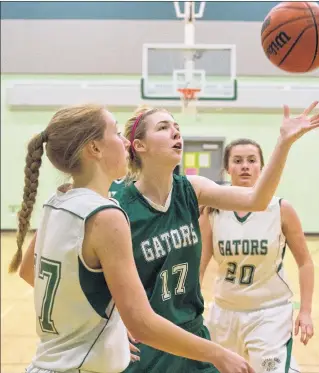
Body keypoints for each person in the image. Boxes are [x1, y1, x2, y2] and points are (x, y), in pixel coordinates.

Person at [12, 103, 259, 373]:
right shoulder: (105, 213)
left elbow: (28, 271)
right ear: (95, 149)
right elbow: (142, 323)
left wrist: (104, 321)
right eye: (117, 134)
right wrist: (218, 353)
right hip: (82, 365)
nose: (124, 143)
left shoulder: (56, 201)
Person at [107, 101, 319, 373]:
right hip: (147, 337)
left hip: (192, 332)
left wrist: (283, 143)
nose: (176, 132)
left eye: (176, 126)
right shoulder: (118, 205)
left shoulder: (192, 189)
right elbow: (95, 276)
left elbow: (258, 199)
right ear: (139, 146)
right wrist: (110, 323)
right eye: (163, 127)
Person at [199, 138, 315, 373]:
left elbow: (305, 262)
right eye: (238, 160)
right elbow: (199, 265)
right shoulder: (213, 211)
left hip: (269, 312)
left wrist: (305, 311)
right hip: (224, 313)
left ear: (261, 167)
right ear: (227, 168)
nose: (245, 166)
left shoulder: (281, 208)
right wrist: (191, 309)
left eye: (252, 160)